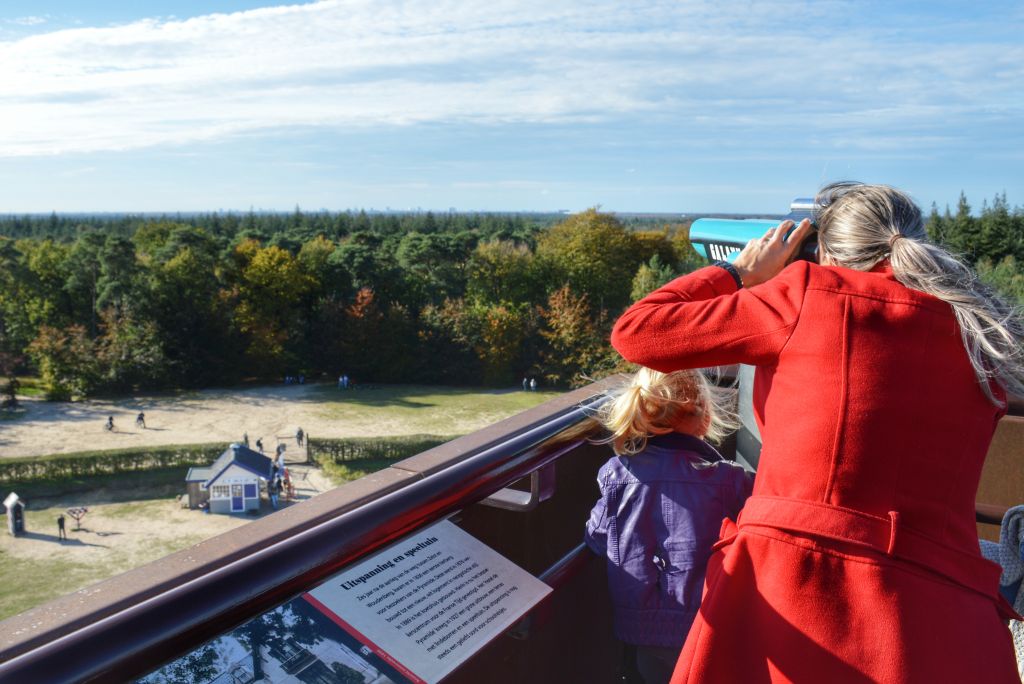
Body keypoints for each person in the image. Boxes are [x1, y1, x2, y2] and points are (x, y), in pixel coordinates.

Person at [611, 182, 1024, 682]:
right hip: (941, 612)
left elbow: (637, 333)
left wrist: (738, 272)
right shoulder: (978, 330)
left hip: (795, 583)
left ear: (825, 251)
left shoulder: (806, 291)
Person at [585, 368, 752, 684]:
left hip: (641, 628)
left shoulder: (616, 474)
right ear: (703, 417)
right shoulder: (727, 480)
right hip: (706, 622)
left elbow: (595, 539)